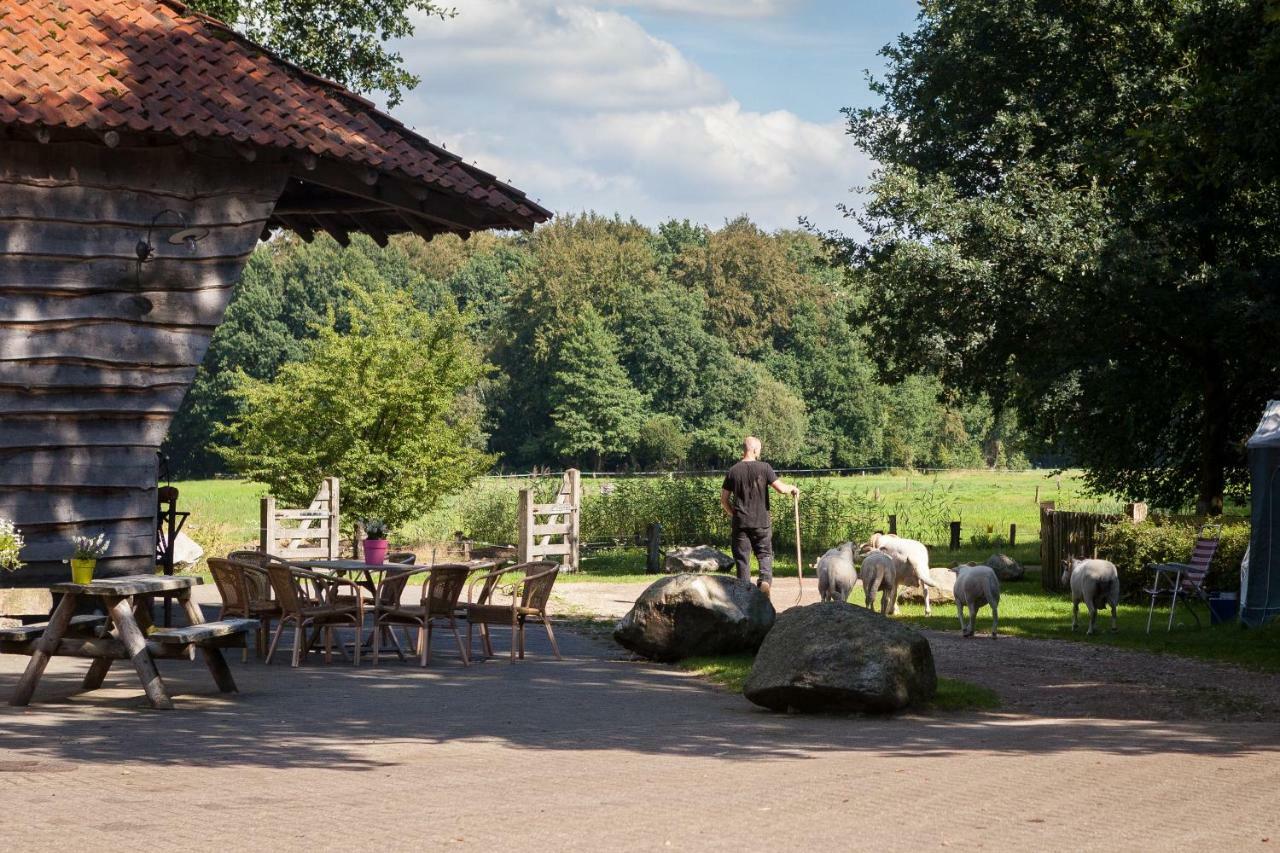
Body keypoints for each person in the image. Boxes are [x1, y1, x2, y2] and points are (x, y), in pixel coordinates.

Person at [720, 436, 799, 598]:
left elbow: (724, 499)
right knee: (764, 555)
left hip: (740, 523)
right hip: (761, 522)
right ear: (754, 449)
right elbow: (781, 489)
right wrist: (792, 488)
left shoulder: (733, 470)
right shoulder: (765, 468)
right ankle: (764, 582)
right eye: (760, 449)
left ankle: (744, 596)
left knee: (743, 560)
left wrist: (733, 513)